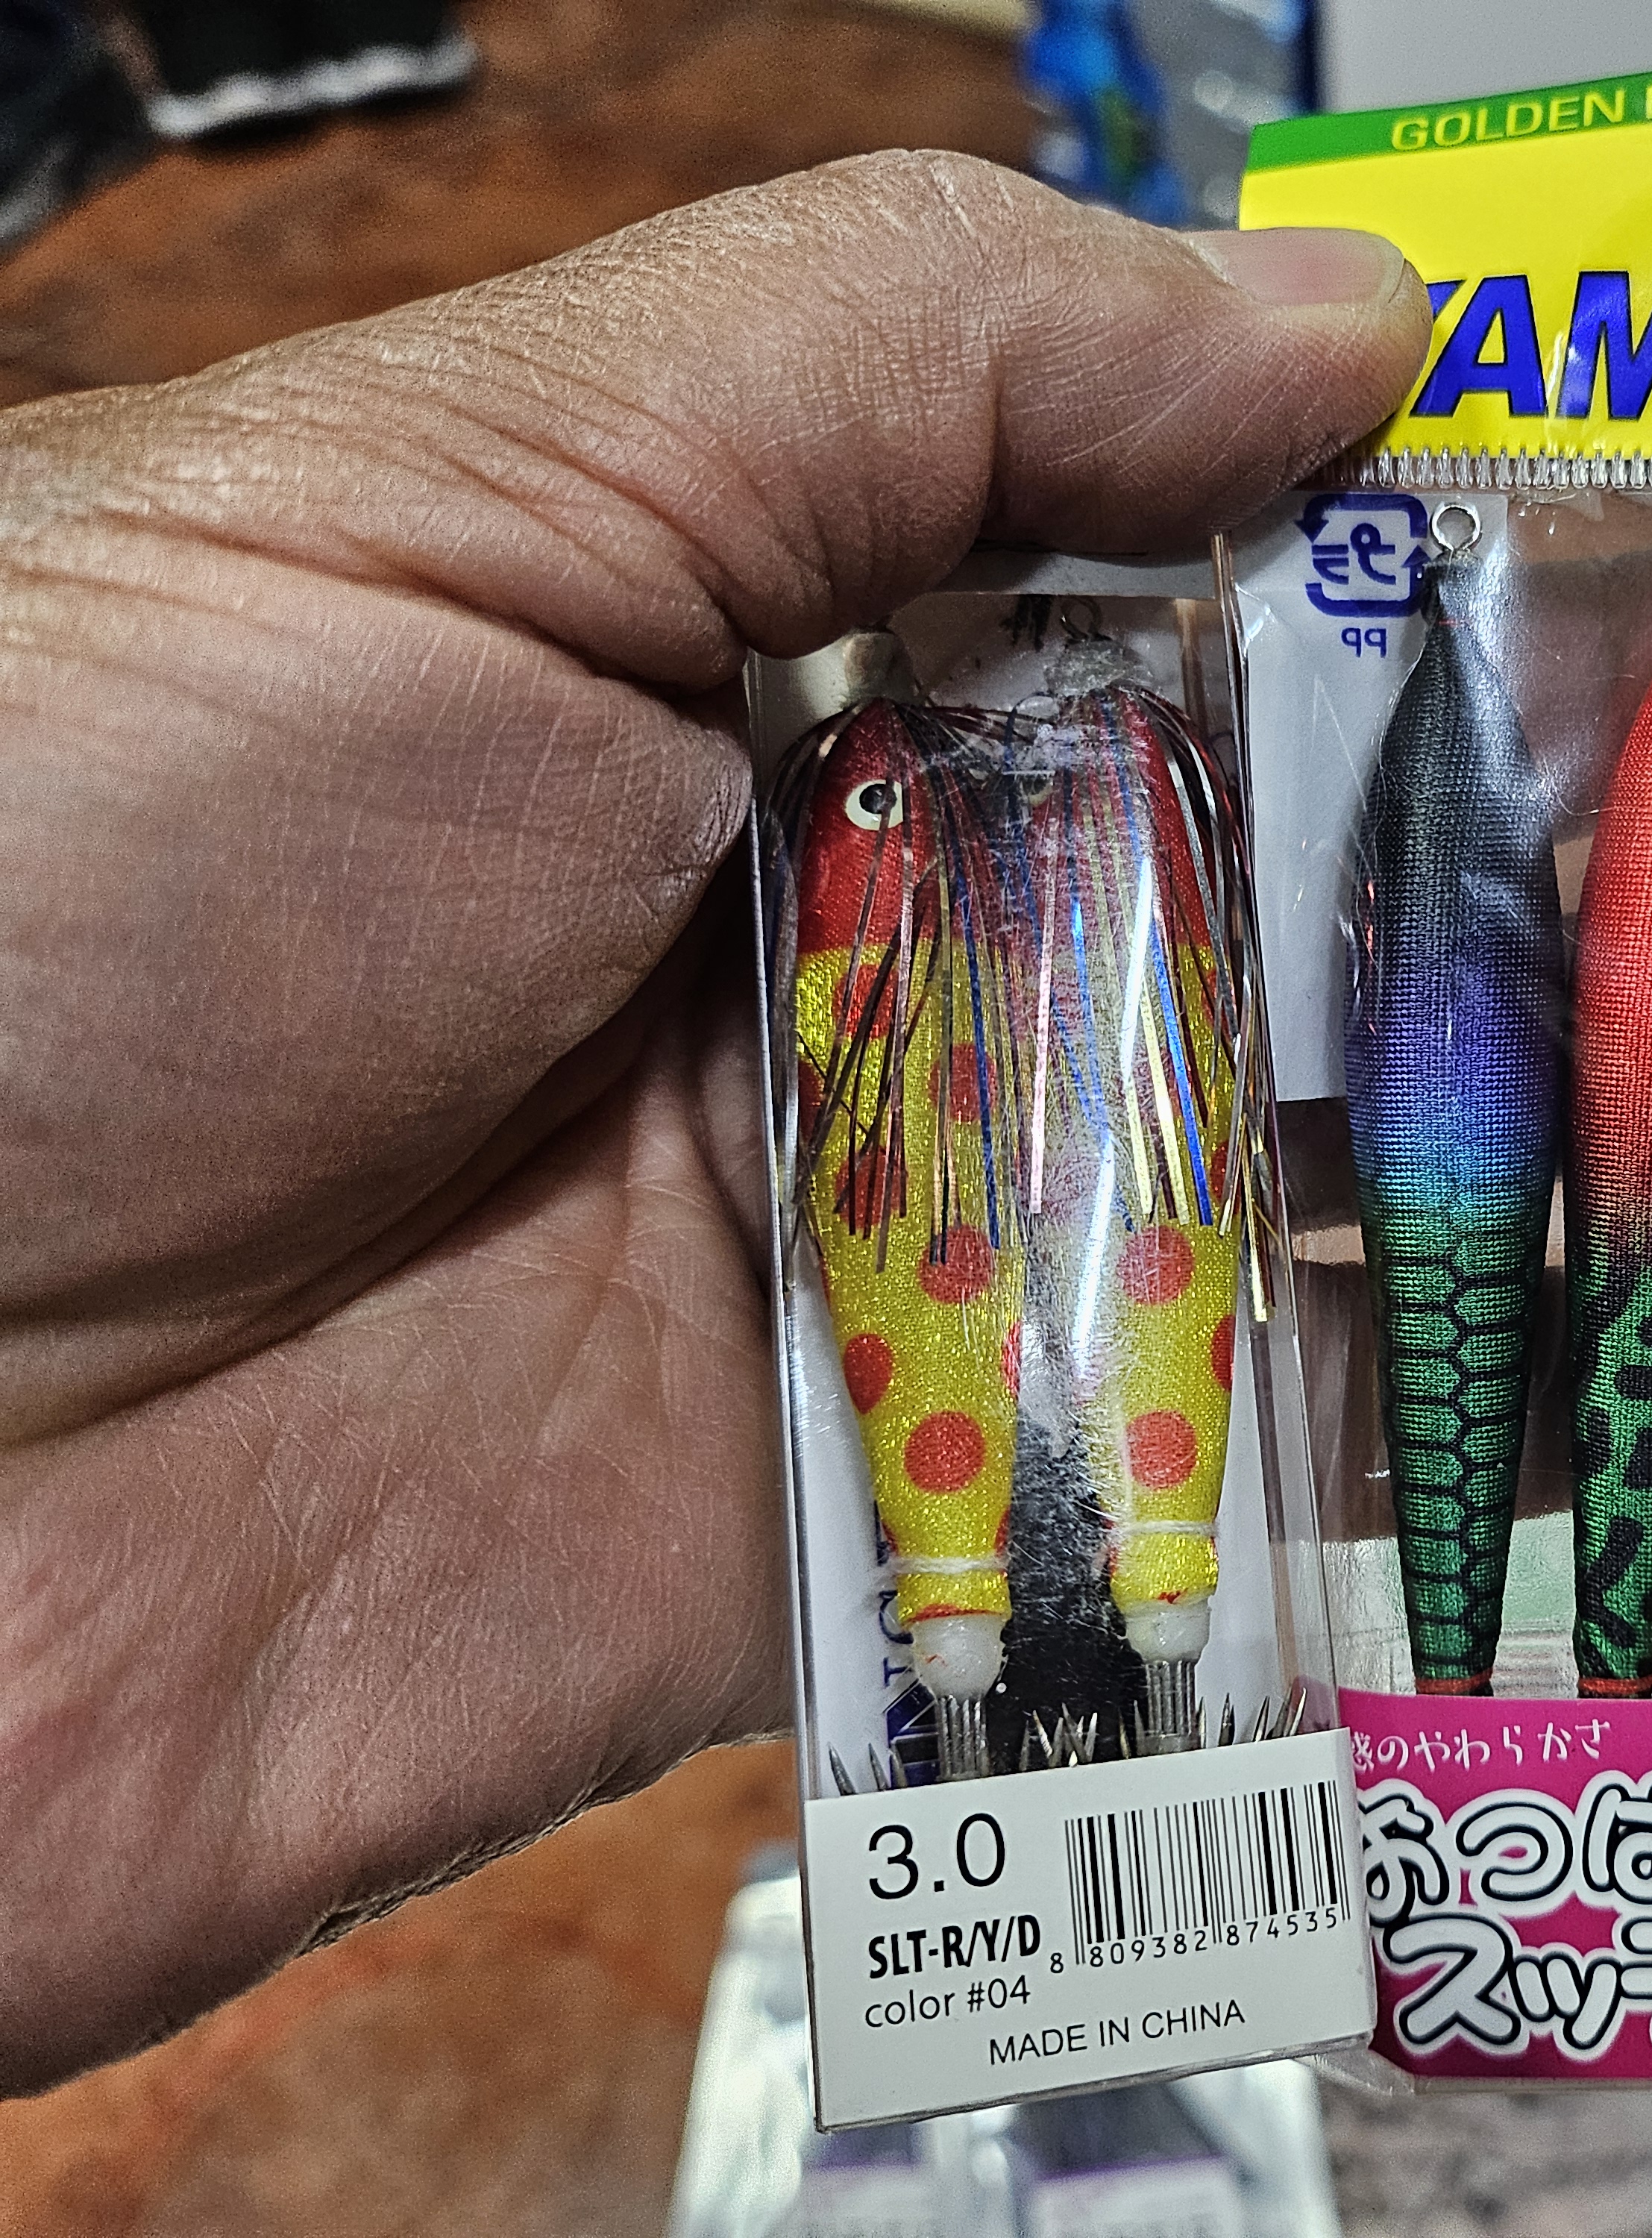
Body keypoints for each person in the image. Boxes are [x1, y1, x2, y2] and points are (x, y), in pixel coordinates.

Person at [0, 151, 1429, 2096]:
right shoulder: (902, 779)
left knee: (1145, 1378)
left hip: (1105, 1197)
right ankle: (1029, 1626)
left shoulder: (1102, 778)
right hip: (910, 1221)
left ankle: (1108, 1616)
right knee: (997, 1395)